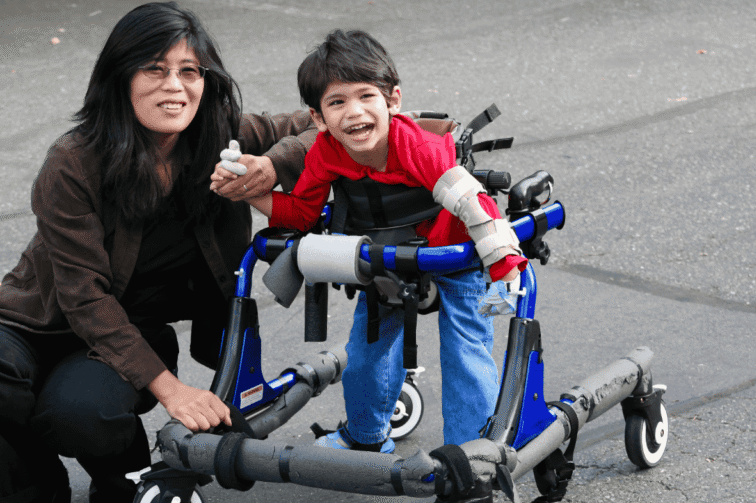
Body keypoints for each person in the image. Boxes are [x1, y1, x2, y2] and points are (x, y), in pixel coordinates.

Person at [0, 2, 315, 503]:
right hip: (45, 319)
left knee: (80, 412)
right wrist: (172, 390)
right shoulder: (74, 162)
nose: (174, 87)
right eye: (153, 69)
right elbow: (83, 297)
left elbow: (314, 124)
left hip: (131, 332)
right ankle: (29, 495)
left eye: (189, 71)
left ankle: (120, 470)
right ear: (120, 77)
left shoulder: (220, 137)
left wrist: (274, 166)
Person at [212, 29, 526, 453]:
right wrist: (249, 190)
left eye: (365, 97)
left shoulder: (418, 147)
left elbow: (474, 204)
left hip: (455, 259)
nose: (353, 113)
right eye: (337, 103)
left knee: (466, 356)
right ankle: (365, 435)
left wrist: (505, 265)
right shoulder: (325, 152)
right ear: (319, 118)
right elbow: (301, 215)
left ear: (392, 101)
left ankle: (469, 459)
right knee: (365, 356)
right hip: (386, 260)